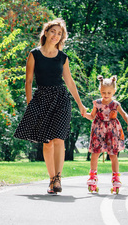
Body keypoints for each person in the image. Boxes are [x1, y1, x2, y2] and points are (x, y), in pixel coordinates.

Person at [14, 18, 86, 194]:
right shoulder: (34, 54)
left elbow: (69, 81)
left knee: (59, 139)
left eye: (59, 33)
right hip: (41, 98)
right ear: (45, 32)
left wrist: (81, 105)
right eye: (53, 31)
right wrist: (30, 103)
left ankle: (58, 179)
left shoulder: (62, 57)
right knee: (47, 143)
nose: (56, 35)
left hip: (61, 99)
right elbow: (29, 80)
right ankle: (51, 178)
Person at [83, 75, 128, 194]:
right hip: (98, 130)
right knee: (95, 153)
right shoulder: (97, 103)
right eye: (103, 92)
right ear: (100, 91)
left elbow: (124, 114)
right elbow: (92, 116)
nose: (106, 95)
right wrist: (85, 114)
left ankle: (116, 178)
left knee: (113, 155)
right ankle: (92, 176)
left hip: (112, 131)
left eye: (109, 93)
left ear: (114, 91)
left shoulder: (115, 104)